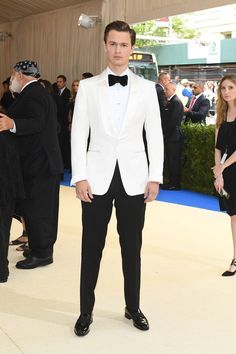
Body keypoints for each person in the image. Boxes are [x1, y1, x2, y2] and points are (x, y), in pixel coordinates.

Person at [71, 20, 164, 336]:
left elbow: (155, 135)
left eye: (124, 45)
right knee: (91, 247)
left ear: (131, 48)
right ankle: (86, 311)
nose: (118, 50)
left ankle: (133, 307)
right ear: (105, 45)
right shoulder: (87, 87)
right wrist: (79, 176)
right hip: (95, 179)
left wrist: (155, 176)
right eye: (113, 43)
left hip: (135, 179)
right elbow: (79, 133)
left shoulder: (147, 89)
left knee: (132, 248)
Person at [0, 60, 63, 270]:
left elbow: (38, 123)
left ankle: (42, 253)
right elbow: (53, 126)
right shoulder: (38, 92)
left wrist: (12, 124)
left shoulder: (34, 93)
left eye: (12, 75)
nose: (10, 80)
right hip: (39, 163)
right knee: (36, 208)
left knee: (39, 210)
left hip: (40, 165)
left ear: (19, 75)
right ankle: (38, 246)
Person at [212, 74, 236, 276]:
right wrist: (219, 171)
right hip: (228, 172)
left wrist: (221, 168)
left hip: (231, 167)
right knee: (234, 216)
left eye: (230, 87)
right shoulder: (220, 116)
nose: (226, 91)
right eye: (223, 88)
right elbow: (217, 147)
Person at [0, 130, 24, 282]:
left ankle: (2, 270)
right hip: (8, 185)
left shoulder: (4, 127)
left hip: (5, 186)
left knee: (2, 229)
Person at [162, 81, 183, 190]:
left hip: (173, 136)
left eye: (167, 89)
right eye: (165, 89)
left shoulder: (175, 102)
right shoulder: (173, 101)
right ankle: (172, 182)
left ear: (173, 90)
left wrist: (165, 134)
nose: (165, 91)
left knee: (173, 160)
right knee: (171, 160)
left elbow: (172, 121)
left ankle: (174, 184)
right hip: (172, 135)